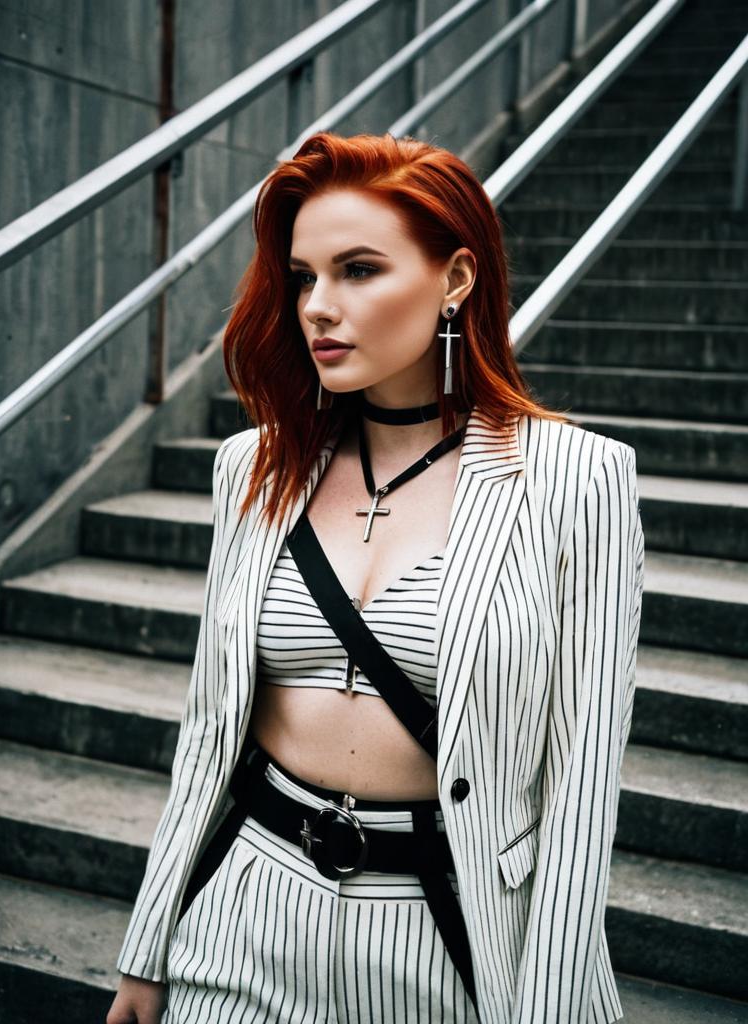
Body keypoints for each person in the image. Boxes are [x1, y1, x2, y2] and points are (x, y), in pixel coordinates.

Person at [107, 131, 644, 1024]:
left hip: (450, 933)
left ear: (457, 279)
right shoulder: (252, 468)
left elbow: (582, 787)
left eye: (358, 270)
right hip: (245, 906)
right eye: (304, 276)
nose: (319, 305)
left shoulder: (575, 480)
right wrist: (147, 946)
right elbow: (209, 732)